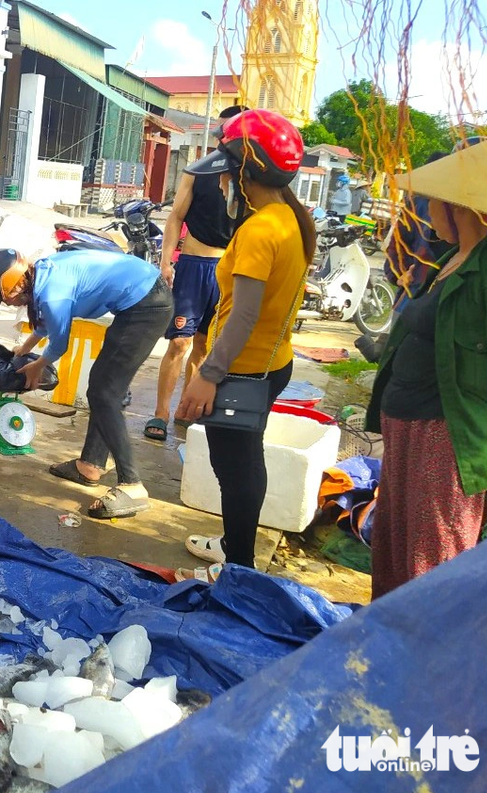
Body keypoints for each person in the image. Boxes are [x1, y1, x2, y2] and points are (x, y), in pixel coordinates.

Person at [171, 109, 316, 582]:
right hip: (271, 363)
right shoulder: (288, 220)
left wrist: (208, 374)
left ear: (245, 172)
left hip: (242, 369)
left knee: (235, 469)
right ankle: (236, 546)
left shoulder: (259, 230)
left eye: (231, 170)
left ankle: (237, 569)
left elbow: (246, 313)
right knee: (242, 462)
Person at [366, 136, 487, 599]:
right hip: (408, 422)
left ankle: (428, 664)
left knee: (432, 562)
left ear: (462, 206)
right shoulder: (452, 256)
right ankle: (389, 651)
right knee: (393, 549)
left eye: (432, 202)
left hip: (447, 434)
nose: (425, 213)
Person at [0, 248, 172, 519]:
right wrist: (24, 349)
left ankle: (132, 486)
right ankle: (90, 465)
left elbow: (59, 342)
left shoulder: (52, 292)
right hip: (143, 298)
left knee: (105, 393)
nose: (8, 305)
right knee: (104, 389)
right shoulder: (43, 275)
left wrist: (37, 367)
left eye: (4, 299)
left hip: (146, 305)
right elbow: (47, 322)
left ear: (12, 288)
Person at [147, 104, 248, 442]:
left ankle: (184, 412)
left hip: (228, 270)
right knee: (179, 343)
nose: (224, 138)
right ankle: (161, 413)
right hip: (193, 266)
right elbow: (175, 217)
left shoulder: (249, 177)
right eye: (222, 131)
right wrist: (166, 261)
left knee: (205, 346)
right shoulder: (198, 170)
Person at [383, 152, 450, 312]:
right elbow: (397, 245)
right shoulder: (416, 206)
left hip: (443, 301)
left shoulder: (466, 214)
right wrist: (400, 274)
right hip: (413, 296)